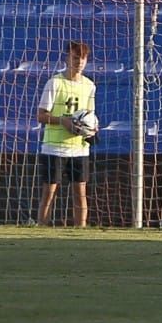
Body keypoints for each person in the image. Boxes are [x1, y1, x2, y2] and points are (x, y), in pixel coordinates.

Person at [36, 41, 97, 227]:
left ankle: (81, 231)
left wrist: (92, 128)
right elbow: (41, 115)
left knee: (80, 192)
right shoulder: (54, 83)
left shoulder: (89, 86)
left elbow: (90, 115)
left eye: (83, 58)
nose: (79, 62)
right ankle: (41, 228)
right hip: (54, 147)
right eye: (75, 57)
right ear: (67, 58)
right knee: (49, 192)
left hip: (79, 148)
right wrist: (63, 121)